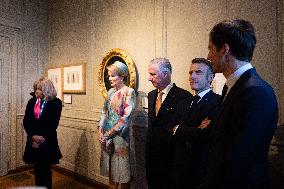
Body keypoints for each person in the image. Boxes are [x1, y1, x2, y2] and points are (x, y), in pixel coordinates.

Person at [202, 19, 279, 189]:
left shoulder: (255, 92)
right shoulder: (234, 87)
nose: (208, 56)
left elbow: (240, 158)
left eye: (210, 48)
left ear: (225, 49)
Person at [170, 58, 220, 189]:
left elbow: (206, 135)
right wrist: (196, 129)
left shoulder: (218, 102)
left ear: (210, 77)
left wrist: (180, 130)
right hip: (179, 172)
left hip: (201, 172)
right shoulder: (183, 103)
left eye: (198, 72)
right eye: (191, 72)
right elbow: (171, 130)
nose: (192, 76)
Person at [145, 58, 192, 189]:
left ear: (166, 74)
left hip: (171, 162)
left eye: (153, 74)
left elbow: (179, 129)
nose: (149, 78)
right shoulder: (151, 95)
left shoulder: (183, 96)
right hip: (152, 159)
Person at [98, 61, 136, 189]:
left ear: (122, 76)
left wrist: (109, 134)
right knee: (110, 169)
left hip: (121, 137)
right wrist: (100, 130)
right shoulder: (110, 92)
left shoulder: (129, 92)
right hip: (106, 136)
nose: (110, 78)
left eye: (113, 76)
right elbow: (104, 112)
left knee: (122, 170)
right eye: (109, 75)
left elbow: (125, 118)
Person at [23, 78, 63, 189]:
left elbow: (53, 124)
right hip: (33, 139)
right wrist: (33, 136)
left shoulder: (56, 103)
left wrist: (41, 138)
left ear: (47, 89)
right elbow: (26, 121)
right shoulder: (32, 101)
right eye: (35, 88)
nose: (36, 91)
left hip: (47, 140)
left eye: (39, 89)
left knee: (45, 170)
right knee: (37, 168)